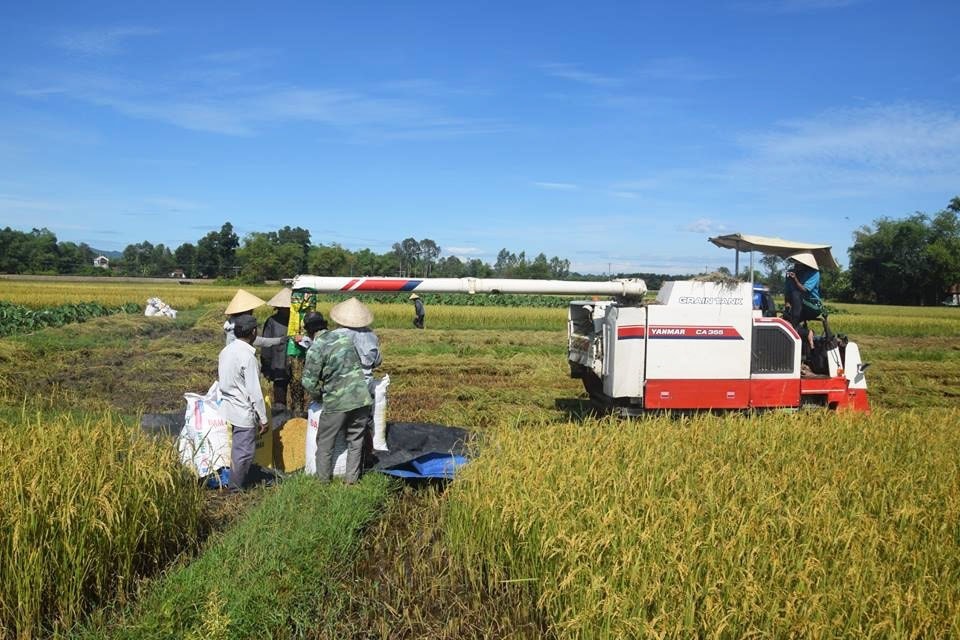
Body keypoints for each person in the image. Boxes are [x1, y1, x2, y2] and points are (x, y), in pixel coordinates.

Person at [301, 300, 373, 484]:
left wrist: (319, 396)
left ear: (308, 330)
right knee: (356, 442)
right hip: (361, 398)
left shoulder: (315, 348)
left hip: (338, 401)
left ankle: (323, 483)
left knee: (325, 443)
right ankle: (351, 482)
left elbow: (308, 383)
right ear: (325, 325)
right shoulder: (344, 339)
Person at [217, 314, 269, 491]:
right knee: (244, 452)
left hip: (228, 406)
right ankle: (235, 489)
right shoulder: (248, 357)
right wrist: (263, 418)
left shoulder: (226, 351)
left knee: (238, 447)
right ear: (254, 332)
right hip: (242, 409)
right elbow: (255, 392)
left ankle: (234, 482)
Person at [261, 288, 293, 413]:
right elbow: (266, 345)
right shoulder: (271, 322)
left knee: (297, 397)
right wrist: (266, 366)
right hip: (278, 365)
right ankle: (281, 420)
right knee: (280, 399)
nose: (288, 310)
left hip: (296, 365)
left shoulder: (299, 321)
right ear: (279, 307)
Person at [223, 289, 289, 348]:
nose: (252, 311)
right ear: (246, 311)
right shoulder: (237, 327)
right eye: (251, 310)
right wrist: (280, 340)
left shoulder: (231, 323)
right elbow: (256, 340)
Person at [784, 252, 822, 349]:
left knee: (797, 293)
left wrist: (795, 279)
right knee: (784, 321)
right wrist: (787, 306)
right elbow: (787, 292)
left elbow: (804, 290)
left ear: (805, 264)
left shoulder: (814, 273)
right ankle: (807, 333)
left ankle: (795, 324)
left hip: (812, 305)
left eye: (798, 263)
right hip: (797, 306)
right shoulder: (791, 273)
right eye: (795, 263)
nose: (795, 265)